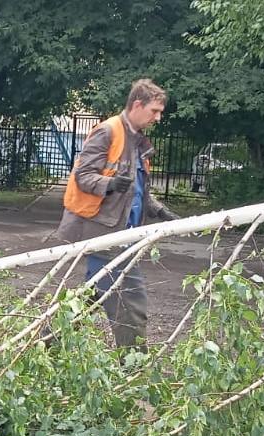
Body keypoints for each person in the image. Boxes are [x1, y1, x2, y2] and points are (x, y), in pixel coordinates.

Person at [54, 79, 182, 351]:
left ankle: (46, 343)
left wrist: (159, 210)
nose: (158, 118)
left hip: (123, 232)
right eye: (155, 111)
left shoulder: (137, 140)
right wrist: (108, 185)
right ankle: (134, 362)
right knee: (130, 298)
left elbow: (137, 190)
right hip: (102, 231)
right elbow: (83, 176)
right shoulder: (108, 131)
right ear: (137, 104)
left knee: (90, 295)